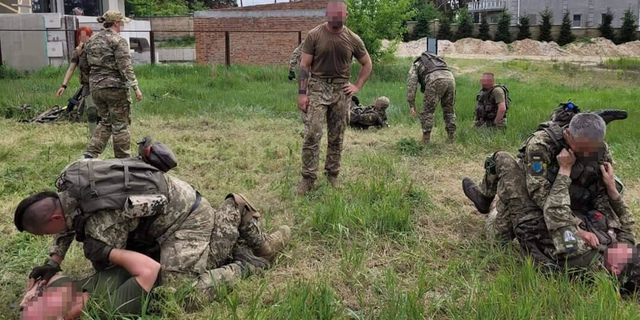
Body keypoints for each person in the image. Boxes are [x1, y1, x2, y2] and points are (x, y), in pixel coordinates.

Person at [15, 156, 291, 296]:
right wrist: (54, 260)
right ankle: (235, 239)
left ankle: (244, 254)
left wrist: (94, 259)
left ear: (52, 218)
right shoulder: (68, 180)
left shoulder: (102, 223)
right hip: (162, 214)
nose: (50, 236)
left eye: (44, 233)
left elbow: (119, 270)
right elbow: (67, 221)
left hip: (186, 219)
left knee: (179, 292)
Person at [462, 113, 635, 274]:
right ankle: (486, 198)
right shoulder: (541, 144)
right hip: (537, 195)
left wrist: (605, 224)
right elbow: (537, 191)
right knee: (499, 159)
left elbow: (599, 193)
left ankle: (498, 208)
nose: (588, 153)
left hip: (564, 205)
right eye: (582, 148)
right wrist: (576, 227)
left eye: (593, 148)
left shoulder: (601, 151)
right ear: (568, 135)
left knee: (500, 241)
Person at [295, 0, 372, 195]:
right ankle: (308, 179)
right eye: (333, 13)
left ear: (346, 16)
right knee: (313, 133)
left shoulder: (353, 39)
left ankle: (332, 175)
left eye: (340, 14)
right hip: (318, 87)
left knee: (337, 136)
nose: (336, 17)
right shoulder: (314, 35)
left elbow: (367, 63)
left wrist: (357, 86)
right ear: (327, 14)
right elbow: (304, 66)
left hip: (341, 90)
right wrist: (302, 94)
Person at [20, 248, 160, 319]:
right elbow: (150, 268)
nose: (43, 293)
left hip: (138, 247)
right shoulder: (109, 308)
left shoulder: (68, 292)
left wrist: (33, 290)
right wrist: (105, 251)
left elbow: (48, 279)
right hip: (161, 260)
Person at [80, 10, 143, 159]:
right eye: (121, 23)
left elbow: (83, 65)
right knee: (120, 124)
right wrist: (136, 88)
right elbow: (125, 67)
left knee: (106, 122)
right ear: (116, 23)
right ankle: (123, 159)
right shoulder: (118, 41)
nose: (122, 26)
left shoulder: (91, 41)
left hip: (96, 87)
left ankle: (89, 154)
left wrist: (89, 82)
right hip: (114, 88)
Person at [56, 26, 98, 137]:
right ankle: (94, 136)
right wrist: (63, 86)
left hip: (100, 84)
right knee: (91, 112)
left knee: (103, 112)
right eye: (81, 36)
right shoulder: (77, 51)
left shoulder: (97, 49)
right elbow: (71, 69)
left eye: (87, 36)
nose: (84, 38)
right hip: (87, 85)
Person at [406, 51, 456, 144]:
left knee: (427, 111)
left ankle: (425, 140)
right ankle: (451, 137)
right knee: (449, 110)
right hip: (450, 78)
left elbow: (411, 85)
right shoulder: (437, 60)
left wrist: (411, 104)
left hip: (435, 79)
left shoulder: (416, 64)